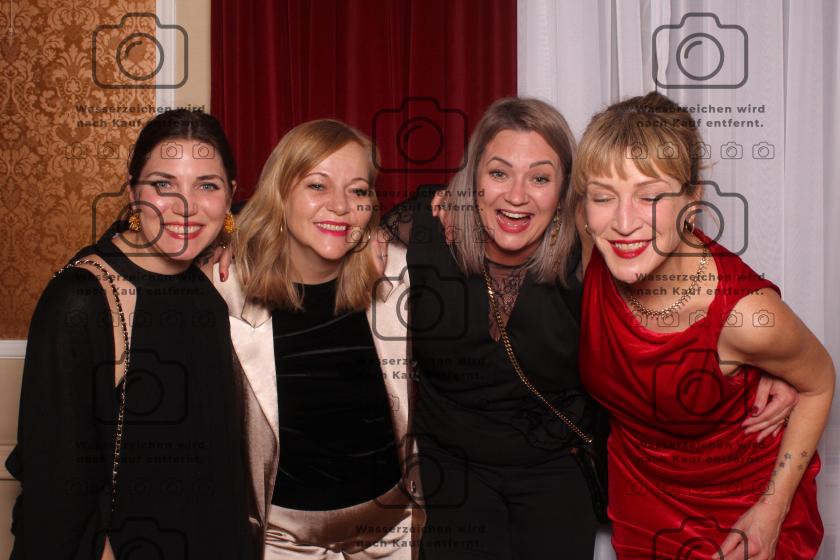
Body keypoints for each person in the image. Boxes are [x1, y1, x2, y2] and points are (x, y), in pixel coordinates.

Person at [383, 96, 800, 560]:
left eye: (540, 178)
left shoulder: (590, 249)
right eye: (498, 173)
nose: (517, 196)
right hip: (452, 466)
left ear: (566, 191)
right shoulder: (426, 228)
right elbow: (347, 255)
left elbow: (680, 252)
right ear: (472, 179)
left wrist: (766, 358)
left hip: (556, 468)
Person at [574, 91, 834, 559]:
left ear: (692, 200)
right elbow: (518, 204)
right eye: (603, 196)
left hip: (737, 513)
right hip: (639, 506)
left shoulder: (745, 317)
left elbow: (819, 383)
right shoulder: (594, 238)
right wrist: (446, 207)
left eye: (651, 196)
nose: (624, 222)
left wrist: (771, 511)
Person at [6, 110, 254, 559]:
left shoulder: (215, 285)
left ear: (231, 196)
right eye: (163, 184)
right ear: (132, 191)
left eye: (207, 186)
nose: (185, 206)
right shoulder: (81, 299)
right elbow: (56, 484)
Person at [211, 119, 424, 559]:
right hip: (280, 541)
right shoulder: (225, 287)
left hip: (393, 532)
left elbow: (474, 210)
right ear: (281, 193)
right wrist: (228, 230)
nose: (341, 206)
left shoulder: (399, 274)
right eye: (317, 185)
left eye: (358, 191)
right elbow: (144, 239)